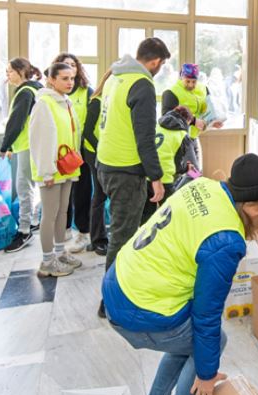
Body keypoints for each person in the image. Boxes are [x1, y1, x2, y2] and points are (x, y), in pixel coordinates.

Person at [103, 153, 258, 395]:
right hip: (136, 309)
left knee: (188, 344)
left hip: (120, 282)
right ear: (252, 204)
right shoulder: (225, 240)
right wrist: (206, 376)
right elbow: (207, 315)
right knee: (211, 343)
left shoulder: (203, 185)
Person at [97, 37, 170, 318]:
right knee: (122, 237)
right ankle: (110, 301)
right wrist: (156, 177)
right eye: (161, 65)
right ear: (156, 62)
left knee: (125, 232)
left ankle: (127, 288)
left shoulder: (116, 76)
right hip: (125, 171)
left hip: (107, 165)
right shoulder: (142, 84)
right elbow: (145, 138)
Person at [28, 62, 83, 277]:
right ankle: (47, 261)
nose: (70, 82)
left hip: (67, 166)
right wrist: (46, 171)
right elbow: (39, 139)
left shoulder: (65, 102)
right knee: (49, 215)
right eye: (64, 78)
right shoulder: (44, 103)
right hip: (50, 169)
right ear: (51, 80)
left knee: (62, 212)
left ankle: (60, 253)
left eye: (72, 78)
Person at [0, 57, 44, 253]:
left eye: (10, 71)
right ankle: (34, 220)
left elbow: (16, 122)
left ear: (21, 71)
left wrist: (4, 147)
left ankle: (24, 230)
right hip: (34, 145)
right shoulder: (36, 89)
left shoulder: (25, 92)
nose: (7, 75)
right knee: (34, 186)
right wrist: (12, 148)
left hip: (27, 145)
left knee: (24, 187)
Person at [52, 53, 94, 253]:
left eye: (73, 65)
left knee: (81, 193)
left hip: (80, 151)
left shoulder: (87, 92)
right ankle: (65, 229)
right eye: (65, 65)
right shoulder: (52, 95)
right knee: (62, 194)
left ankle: (83, 232)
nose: (70, 68)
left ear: (78, 69)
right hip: (60, 152)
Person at [140, 106, 198, 224]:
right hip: (164, 178)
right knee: (172, 215)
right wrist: (189, 169)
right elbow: (178, 166)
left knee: (147, 217)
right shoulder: (182, 135)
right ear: (187, 121)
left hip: (147, 174)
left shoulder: (157, 126)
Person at [81, 70, 111, 256]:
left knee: (103, 194)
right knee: (99, 195)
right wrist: (100, 149)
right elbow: (87, 131)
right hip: (95, 154)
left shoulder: (113, 101)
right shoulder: (96, 102)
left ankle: (101, 236)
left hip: (109, 154)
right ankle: (97, 240)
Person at [162, 63, 213, 140]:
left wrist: (213, 121)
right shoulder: (171, 93)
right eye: (187, 81)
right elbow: (167, 119)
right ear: (181, 77)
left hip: (194, 137)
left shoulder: (203, 89)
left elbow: (208, 110)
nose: (190, 85)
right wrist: (193, 121)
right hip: (178, 139)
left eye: (194, 82)